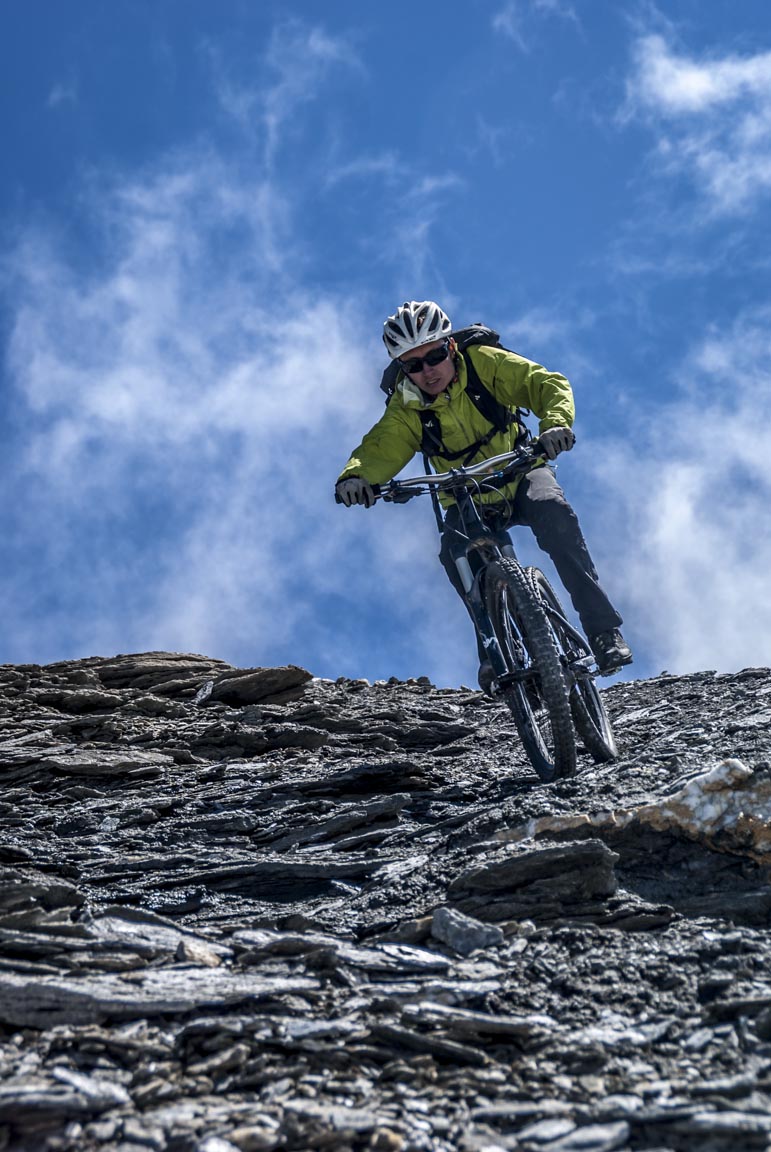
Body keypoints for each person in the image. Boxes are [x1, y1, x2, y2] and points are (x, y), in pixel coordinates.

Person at [335, 300, 632, 687]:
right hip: (465, 495)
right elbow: (382, 446)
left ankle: (604, 632)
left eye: (435, 355)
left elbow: (545, 384)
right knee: (456, 555)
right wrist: (355, 477)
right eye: (413, 364)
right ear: (404, 369)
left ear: (451, 348)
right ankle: (495, 653)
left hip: (520, 471)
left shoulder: (485, 363)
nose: (427, 371)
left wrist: (555, 426)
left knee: (555, 516)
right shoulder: (406, 405)